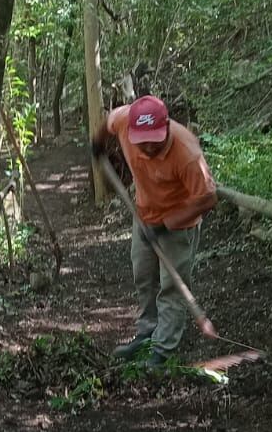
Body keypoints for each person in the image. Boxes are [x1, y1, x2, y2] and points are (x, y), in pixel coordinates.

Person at [92, 95, 217, 368]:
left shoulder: (187, 153)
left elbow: (207, 198)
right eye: (142, 140)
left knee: (171, 287)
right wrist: (98, 143)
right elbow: (108, 121)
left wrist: (167, 223)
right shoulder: (125, 121)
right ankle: (147, 332)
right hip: (144, 214)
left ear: (167, 127)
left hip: (178, 225)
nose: (148, 145)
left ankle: (162, 351)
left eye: (154, 139)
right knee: (143, 276)